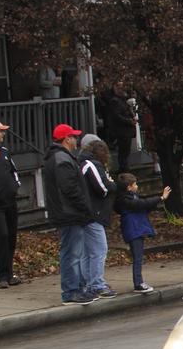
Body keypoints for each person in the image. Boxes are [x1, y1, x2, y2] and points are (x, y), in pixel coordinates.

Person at [42, 123, 96, 305]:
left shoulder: (60, 158)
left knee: (74, 253)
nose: (76, 140)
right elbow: (70, 189)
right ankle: (72, 291)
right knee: (72, 253)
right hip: (69, 213)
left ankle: (77, 288)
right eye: (73, 137)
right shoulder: (62, 159)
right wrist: (84, 207)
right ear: (66, 139)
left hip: (68, 212)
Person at [115, 173, 170, 292]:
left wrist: (157, 201)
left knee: (138, 256)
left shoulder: (130, 197)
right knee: (137, 257)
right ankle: (138, 283)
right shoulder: (126, 200)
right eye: (135, 184)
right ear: (129, 187)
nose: (137, 186)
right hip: (134, 229)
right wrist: (160, 198)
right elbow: (142, 204)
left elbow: (144, 206)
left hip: (136, 229)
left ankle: (139, 282)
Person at [78, 136, 117, 298]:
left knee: (88, 252)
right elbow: (104, 188)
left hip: (86, 214)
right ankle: (97, 284)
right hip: (94, 214)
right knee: (99, 250)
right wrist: (112, 183)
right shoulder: (93, 164)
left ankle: (88, 283)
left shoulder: (82, 163)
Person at [0, 120, 22, 288]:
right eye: (0, 131)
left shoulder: (5, 152)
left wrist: (15, 186)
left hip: (10, 202)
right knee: (2, 236)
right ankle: (2, 275)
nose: (3, 134)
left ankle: (9, 272)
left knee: (11, 237)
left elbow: (14, 172)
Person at [108, 82, 137, 172]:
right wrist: (129, 121)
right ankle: (124, 168)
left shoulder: (125, 100)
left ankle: (124, 167)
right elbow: (117, 116)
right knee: (123, 151)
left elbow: (129, 111)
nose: (122, 90)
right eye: (120, 88)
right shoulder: (115, 101)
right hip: (122, 130)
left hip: (127, 130)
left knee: (126, 150)